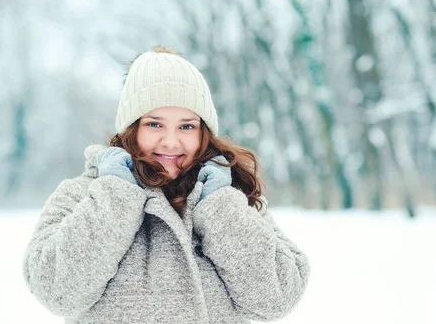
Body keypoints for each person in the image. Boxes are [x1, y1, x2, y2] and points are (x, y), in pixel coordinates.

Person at [22, 46, 310, 323]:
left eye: (186, 126)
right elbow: (56, 292)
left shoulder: (228, 197)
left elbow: (277, 299)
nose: (171, 141)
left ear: (204, 133)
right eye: (154, 124)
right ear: (131, 128)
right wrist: (115, 197)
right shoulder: (82, 194)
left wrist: (221, 208)